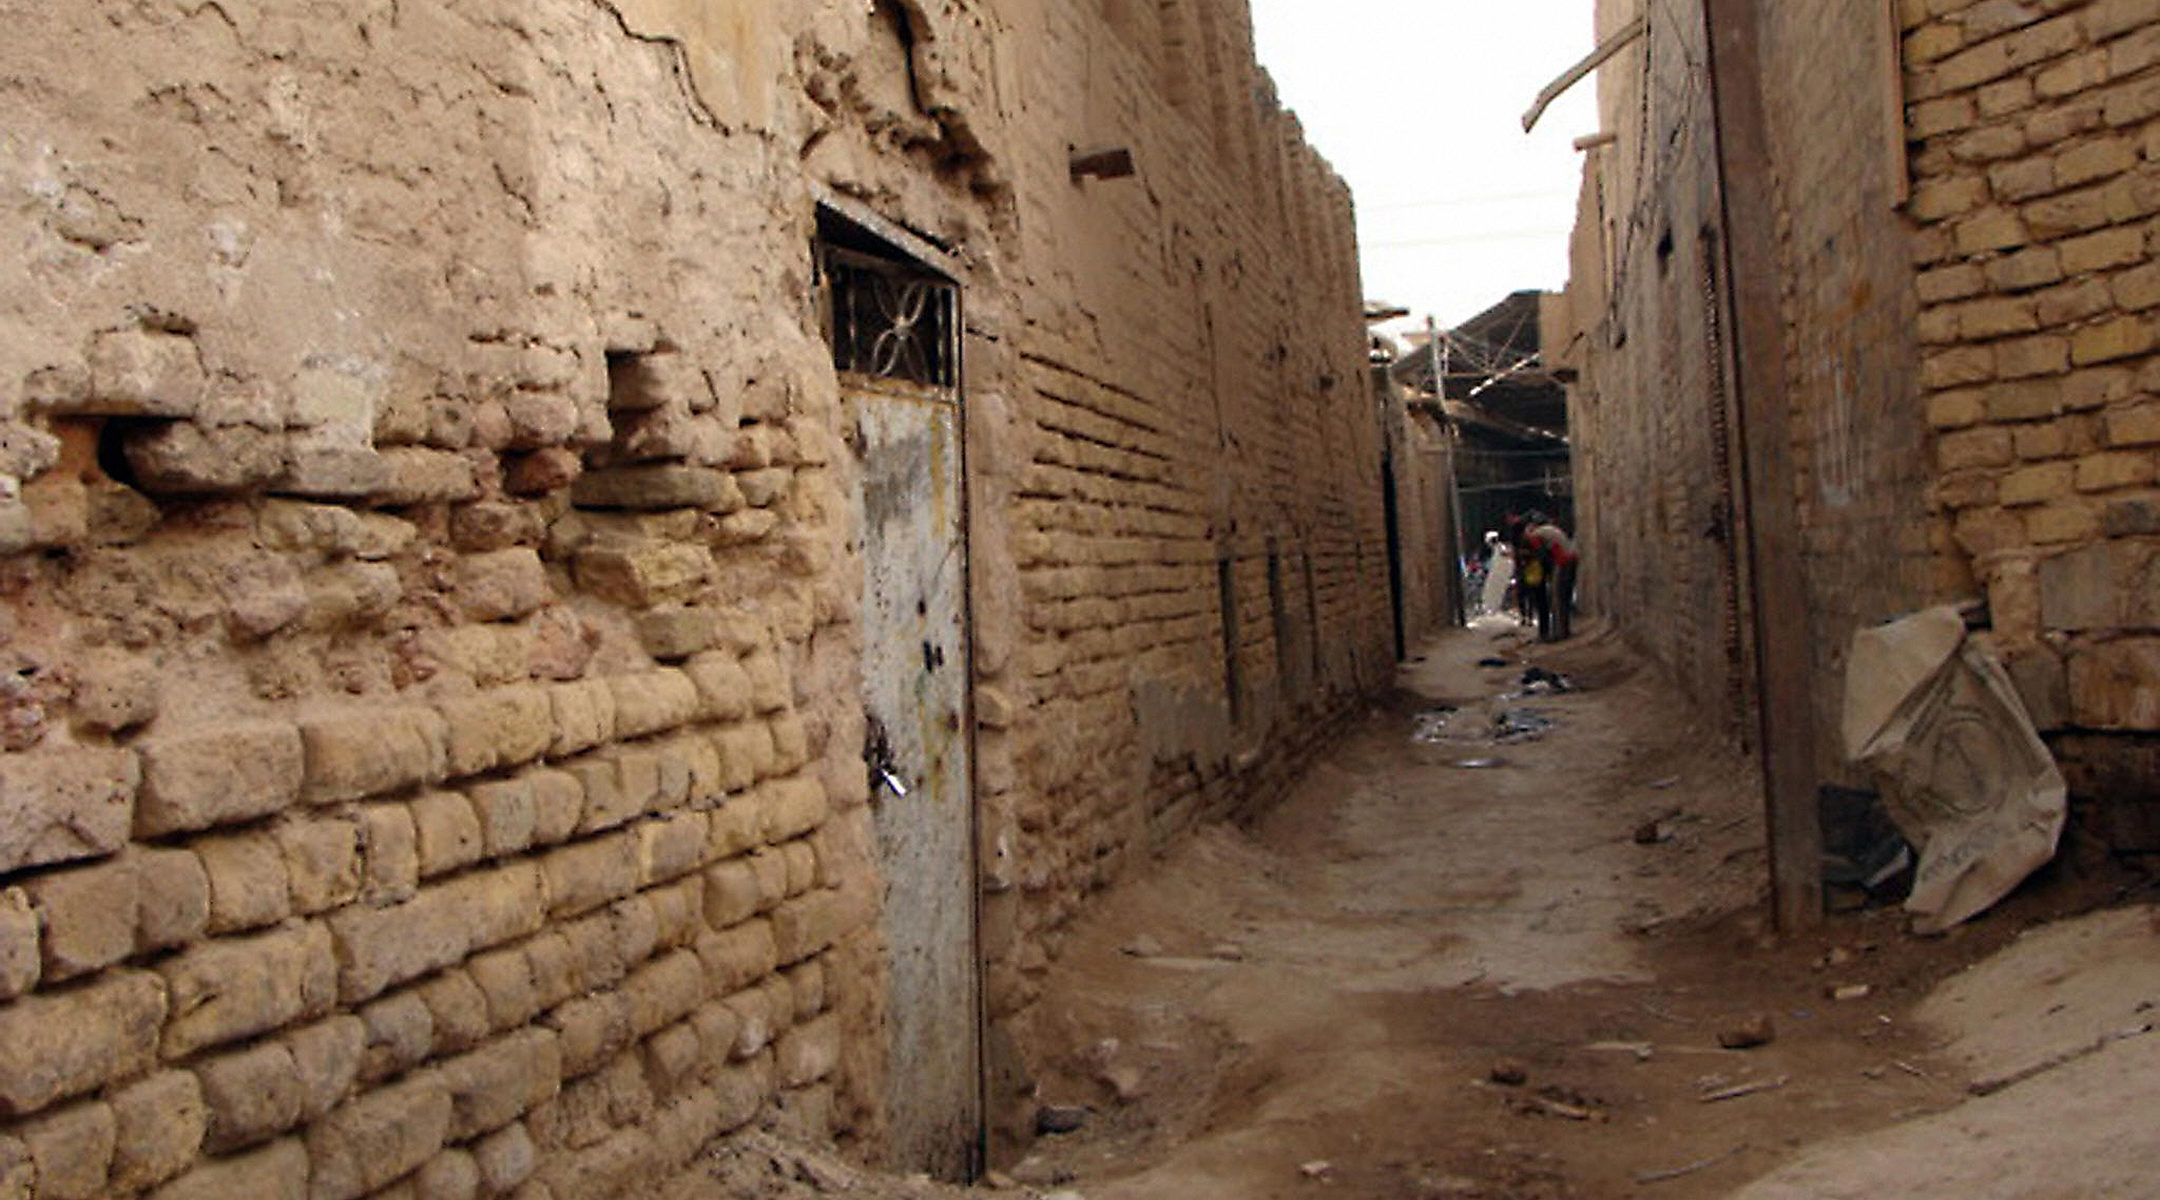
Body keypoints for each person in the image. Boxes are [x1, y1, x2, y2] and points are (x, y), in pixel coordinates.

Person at [1519, 514, 1580, 641]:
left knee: (1557, 597)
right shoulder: (1547, 530)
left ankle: (1560, 633)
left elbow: (1542, 555)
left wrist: (1539, 569)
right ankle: (1564, 629)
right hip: (1572, 558)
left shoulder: (1534, 536)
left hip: (1563, 561)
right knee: (1565, 597)